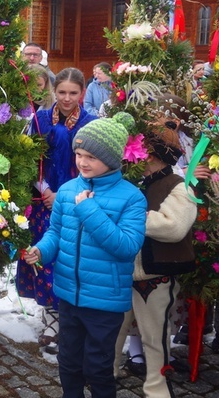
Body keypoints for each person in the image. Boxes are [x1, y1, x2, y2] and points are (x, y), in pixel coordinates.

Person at [25, 116, 147, 398]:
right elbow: (56, 232)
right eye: (79, 154)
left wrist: (90, 211)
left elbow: (127, 246)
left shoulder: (132, 198)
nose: (82, 162)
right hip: (69, 295)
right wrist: (41, 250)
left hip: (104, 301)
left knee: (98, 367)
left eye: (91, 156)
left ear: (112, 158)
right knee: (68, 362)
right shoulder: (67, 191)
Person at [16, 67, 96, 353]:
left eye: (73, 93)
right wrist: (46, 190)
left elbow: (94, 167)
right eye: (61, 92)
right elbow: (29, 159)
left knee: (69, 256)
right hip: (43, 199)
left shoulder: (90, 123)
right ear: (54, 91)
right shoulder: (39, 120)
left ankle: (69, 317)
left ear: (82, 93)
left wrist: (63, 194)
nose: (66, 98)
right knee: (44, 257)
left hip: (76, 200)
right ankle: (51, 316)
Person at [112, 122, 196, 395]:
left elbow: (174, 227)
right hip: (125, 269)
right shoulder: (132, 181)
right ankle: (106, 372)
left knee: (154, 336)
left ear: (156, 156)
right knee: (114, 328)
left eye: (144, 153)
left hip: (154, 275)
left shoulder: (178, 186)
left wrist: (134, 219)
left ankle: (157, 388)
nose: (137, 158)